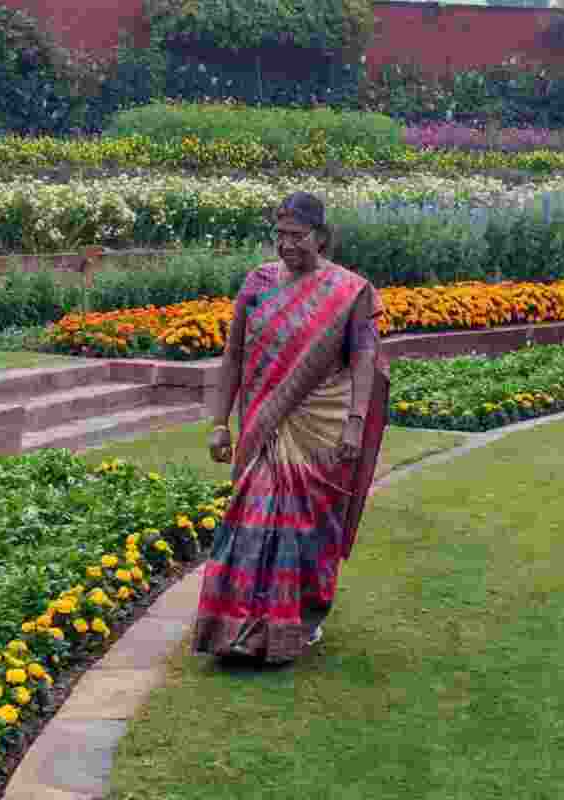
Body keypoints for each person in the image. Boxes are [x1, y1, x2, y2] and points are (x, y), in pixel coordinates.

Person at [193, 191, 390, 667]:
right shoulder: (258, 283)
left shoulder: (349, 292)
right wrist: (220, 422)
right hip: (262, 424)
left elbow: (364, 361)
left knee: (308, 528)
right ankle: (236, 630)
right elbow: (234, 355)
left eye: (297, 236)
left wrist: (355, 424)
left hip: (321, 426)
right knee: (253, 519)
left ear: (320, 237)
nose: (286, 245)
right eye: (280, 235)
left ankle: (300, 618)